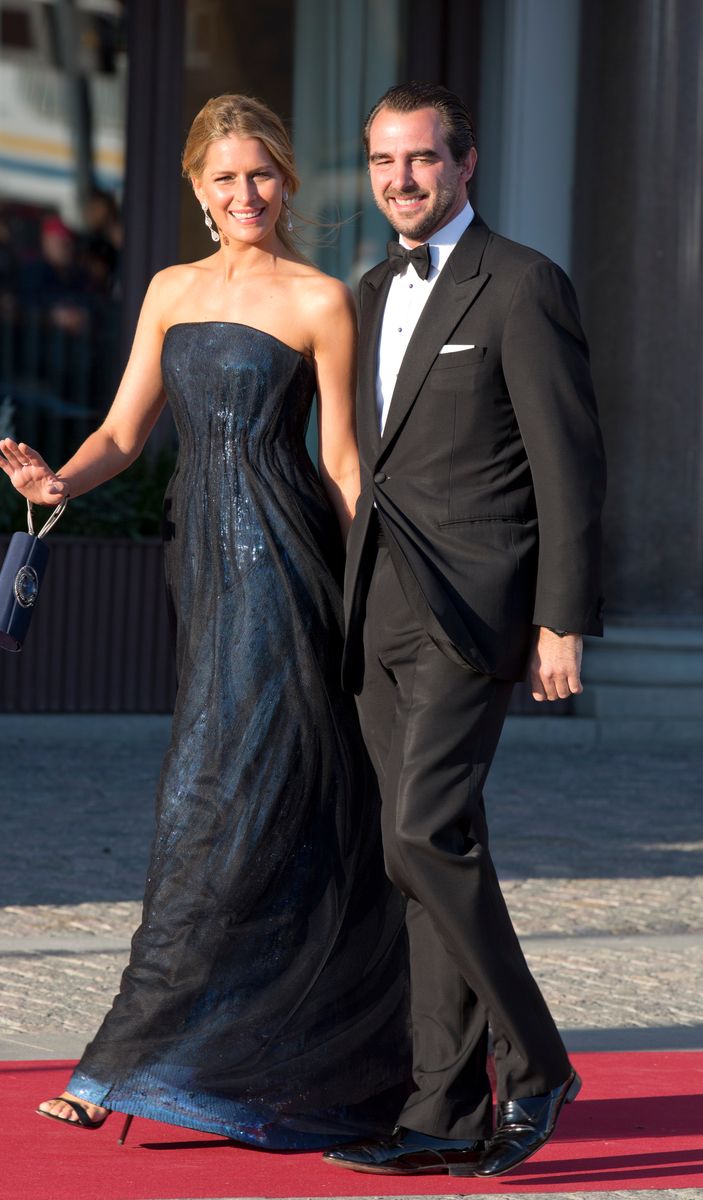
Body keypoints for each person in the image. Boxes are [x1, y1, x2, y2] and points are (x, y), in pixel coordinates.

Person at [0, 94, 410, 1150]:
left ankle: (113, 1065)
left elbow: (343, 464)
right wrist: (57, 485)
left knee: (209, 811)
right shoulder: (172, 291)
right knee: (230, 808)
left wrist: (387, 601)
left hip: (286, 578)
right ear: (195, 189)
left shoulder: (321, 301)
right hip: (207, 579)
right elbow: (122, 433)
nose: (244, 194)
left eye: (260, 173)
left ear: (287, 181)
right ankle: (250, 1057)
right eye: (223, 178)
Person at [323, 82, 606, 1178]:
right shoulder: (364, 290)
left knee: (420, 837)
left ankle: (537, 1066)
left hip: (471, 608)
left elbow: (568, 468)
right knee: (421, 861)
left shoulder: (523, 284)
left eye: (424, 159)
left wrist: (560, 622)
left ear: (466, 163)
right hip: (377, 608)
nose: (403, 179)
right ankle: (439, 1113)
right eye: (385, 161)